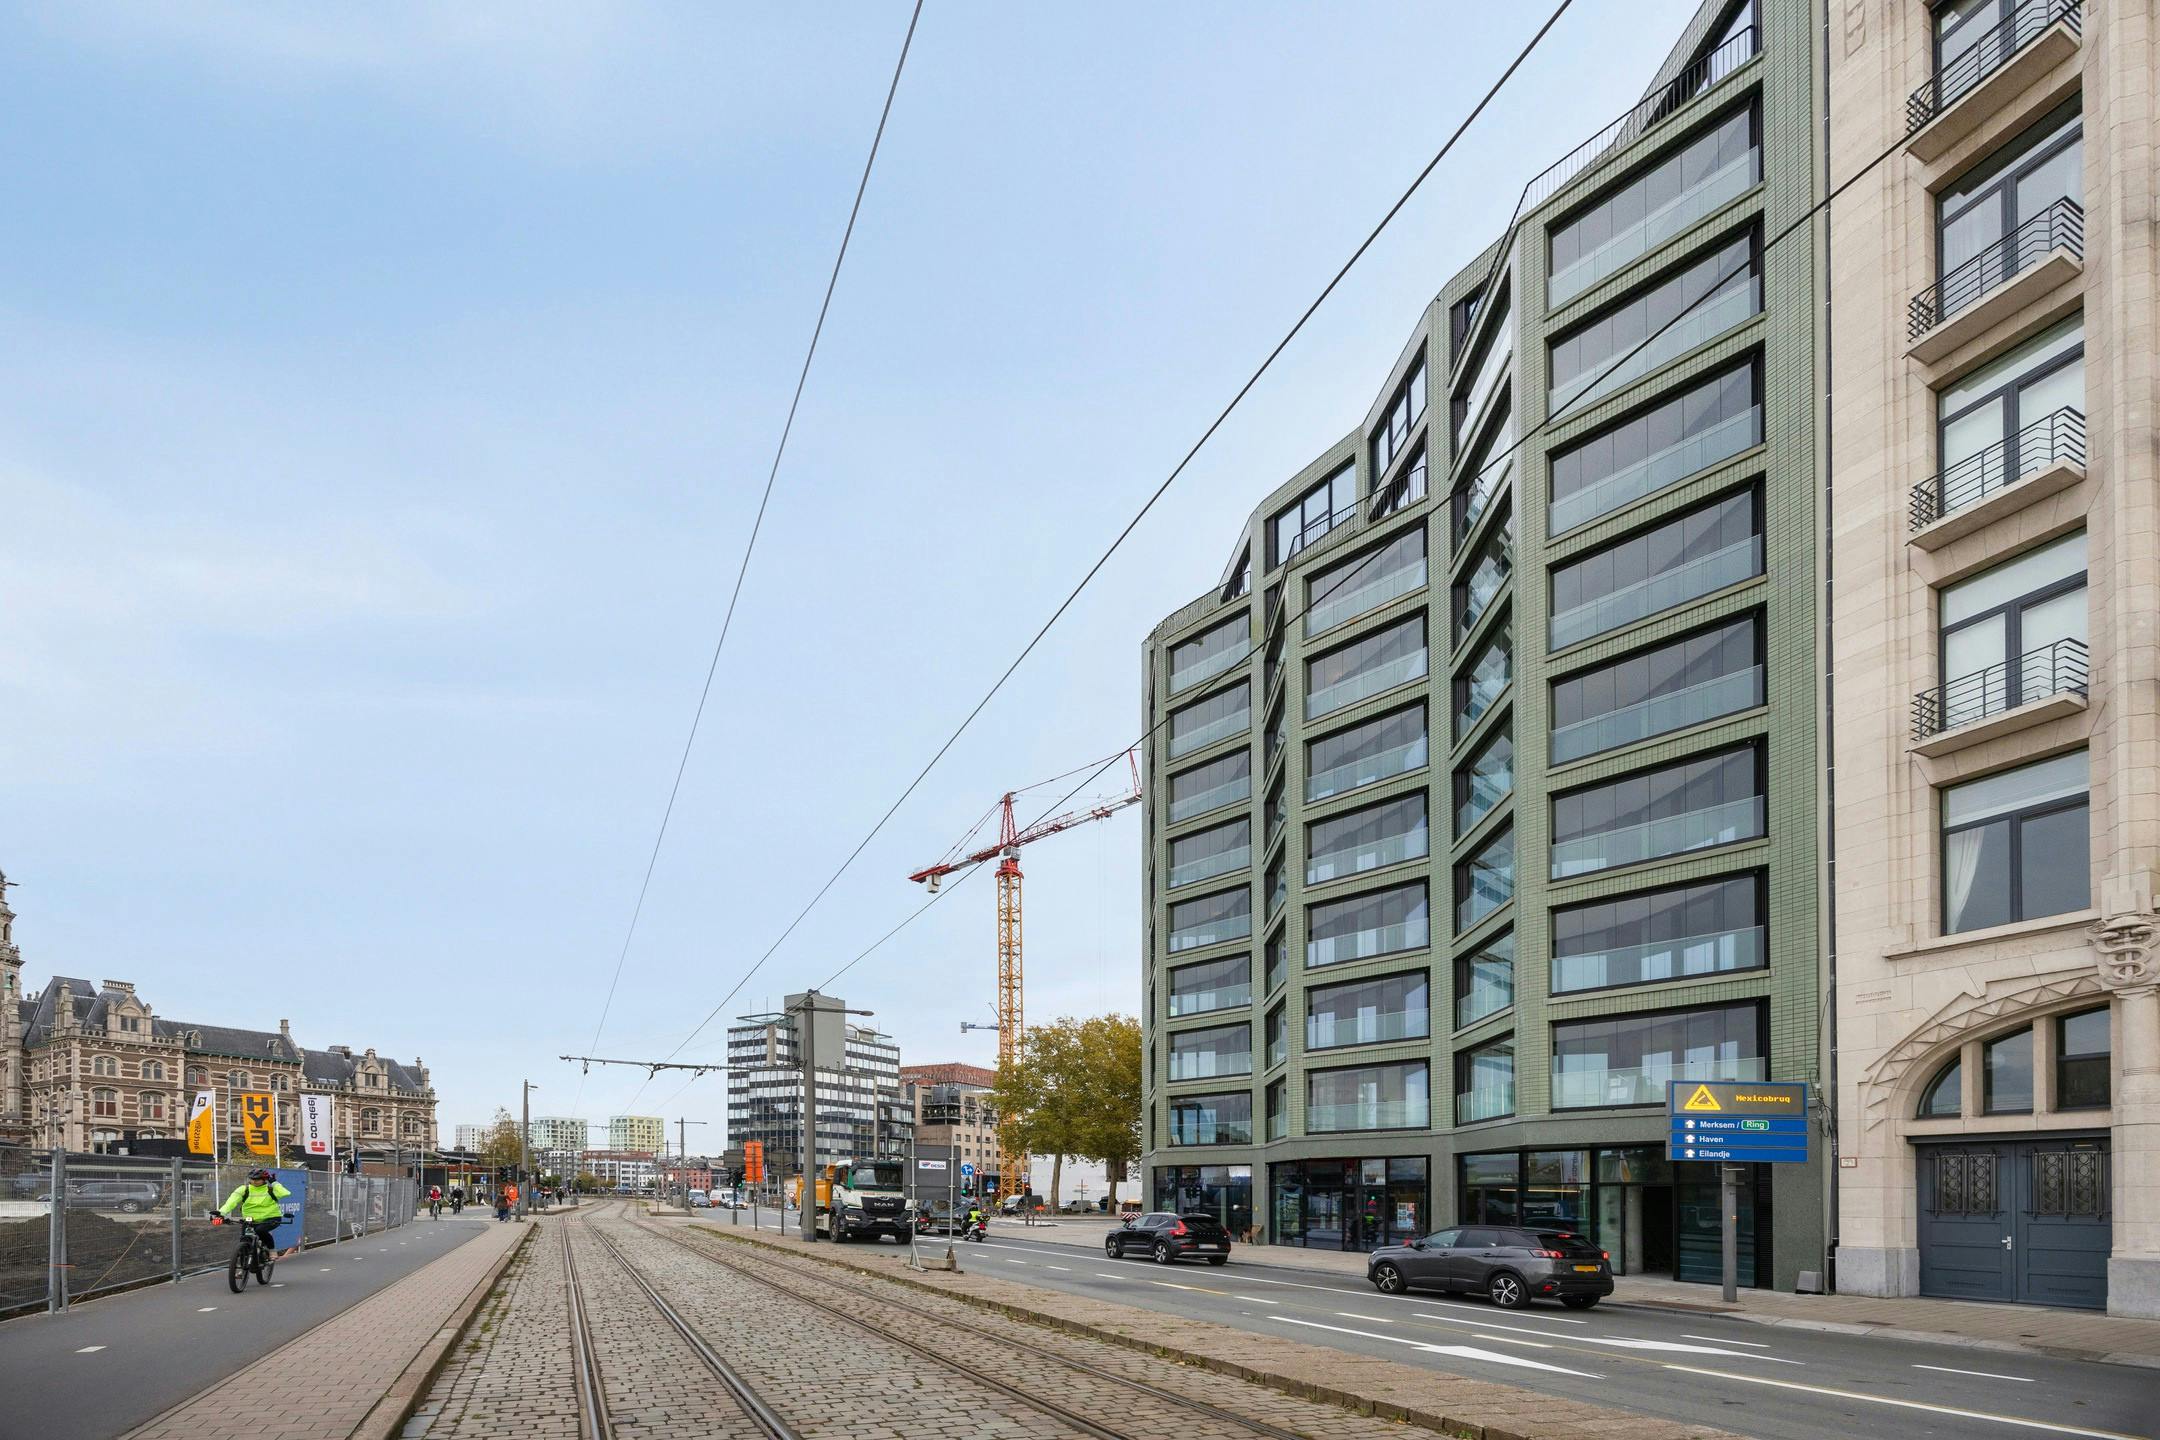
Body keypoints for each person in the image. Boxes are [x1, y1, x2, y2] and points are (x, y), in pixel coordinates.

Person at [217, 1168, 292, 1268]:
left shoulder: (270, 1189)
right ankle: (242, 1268)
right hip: (250, 1219)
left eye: (258, 1179)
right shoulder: (244, 1189)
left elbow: (285, 1193)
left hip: (271, 1217)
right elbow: (231, 1202)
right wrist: (221, 1213)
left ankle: (271, 1250)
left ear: (264, 1179)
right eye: (252, 1179)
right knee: (245, 1240)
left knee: (260, 1230)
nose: (254, 1181)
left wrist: (274, 1183)